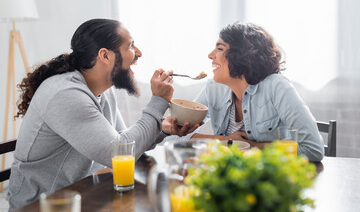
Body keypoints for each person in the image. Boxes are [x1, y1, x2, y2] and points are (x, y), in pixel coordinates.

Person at [7, 19, 187, 211]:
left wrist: (162, 128)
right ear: (105, 56)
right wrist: (158, 100)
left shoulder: (102, 90)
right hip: (44, 205)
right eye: (131, 45)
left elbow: (124, 144)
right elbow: (119, 154)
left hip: (82, 195)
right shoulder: (66, 95)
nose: (139, 53)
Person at [162, 22, 324, 162]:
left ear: (242, 55)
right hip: (230, 180)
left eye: (219, 48)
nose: (210, 55)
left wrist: (254, 147)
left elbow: (313, 149)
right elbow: (174, 137)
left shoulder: (277, 87)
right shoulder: (213, 88)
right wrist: (225, 141)